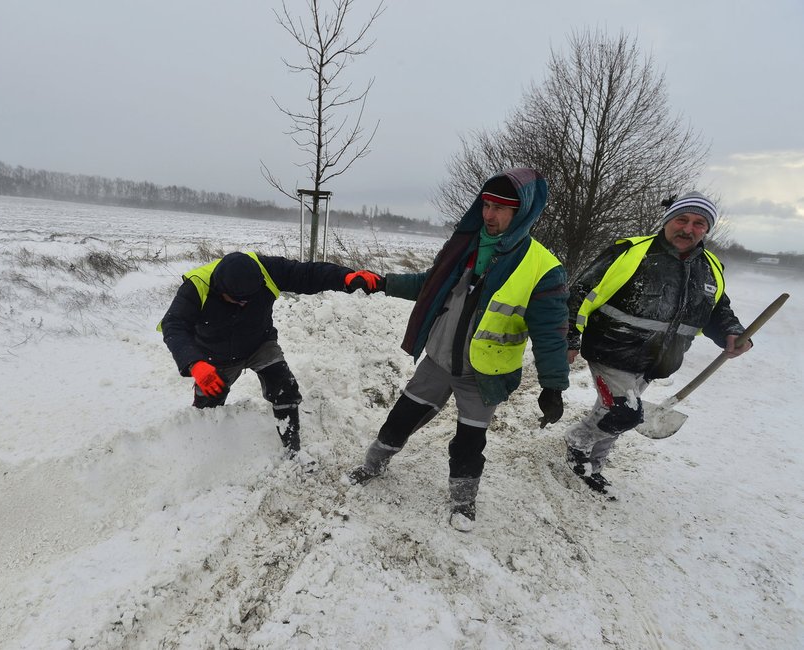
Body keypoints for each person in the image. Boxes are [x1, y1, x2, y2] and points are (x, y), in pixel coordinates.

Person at [346, 168, 570, 532]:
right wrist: (383, 283)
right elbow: (428, 284)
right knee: (400, 419)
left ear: (523, 212)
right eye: (486, 204)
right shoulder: (463, 245)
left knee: (468, 442)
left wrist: (553, 385)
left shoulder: (543, 267)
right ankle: (372, 465)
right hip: (437, 361)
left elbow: (550, 332)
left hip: (484, 374)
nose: (489, 215)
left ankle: (464, 501)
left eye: (500, 208)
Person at [564, 191, 753, 496]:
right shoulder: (632, 252)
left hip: (657, 361)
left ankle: (593, 464)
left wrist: (732, 332)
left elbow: (717, 311)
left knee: (617, 411)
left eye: (699, 223)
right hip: (612, 350)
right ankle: (579, 441)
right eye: (682, 219)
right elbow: (580, 292)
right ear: (668, 219)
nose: (688, 229)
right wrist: (569, 337)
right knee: (626, 412)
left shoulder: (710, 268)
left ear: (707, 230)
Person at [159, 251, 382, 456]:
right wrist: (194, 363)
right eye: (239, 300)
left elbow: (307, 274)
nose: (245, 304)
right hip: (213, 355)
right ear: (221, 290)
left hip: (259, 343)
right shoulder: (197, 286)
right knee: (208, 403)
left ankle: (292, 449)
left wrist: (345, 277)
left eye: (250, 298)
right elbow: (173, 325)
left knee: (285, 388)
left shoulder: (265, 269)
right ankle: (203, 451)